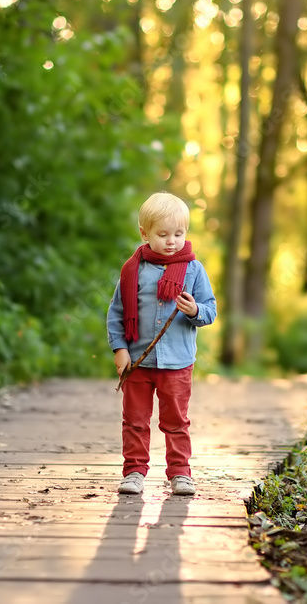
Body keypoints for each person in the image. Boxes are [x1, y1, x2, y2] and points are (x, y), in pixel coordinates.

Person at [106, 192, 217, 496]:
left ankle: (180, 473)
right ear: (145, 233)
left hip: (177, 363)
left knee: (176, 421)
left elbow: (210, 310)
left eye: (178, 234)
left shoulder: (194, 270)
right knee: (135, 420)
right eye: (163, 234)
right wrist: (120, 349)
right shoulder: (133, 271)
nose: (171, 241)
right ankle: (134, 472)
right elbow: (116, 312)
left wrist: (195, 310)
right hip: (138, 362)